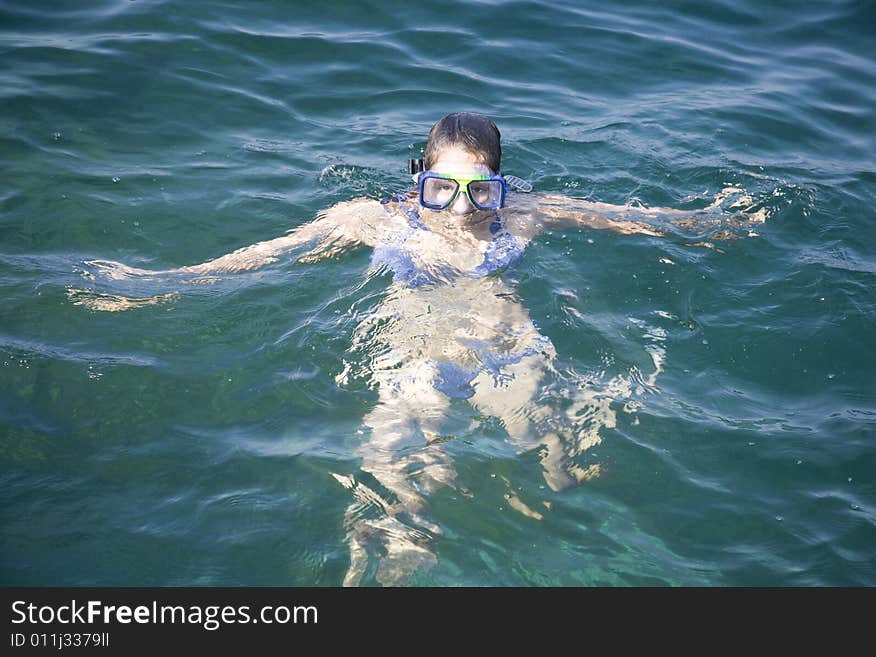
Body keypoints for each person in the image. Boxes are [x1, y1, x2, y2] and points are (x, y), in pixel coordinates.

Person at [84, 113, 754, 585]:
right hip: (418, 356)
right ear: (418, 178)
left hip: (509, 346)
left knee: (551, 462)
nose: (462, 210)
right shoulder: (375, 217)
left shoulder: (525, 211)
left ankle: (542, 523)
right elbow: (266, 256)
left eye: (479, 190)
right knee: (394, 479)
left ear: (501, 183)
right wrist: (161, 284)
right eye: (442, 189)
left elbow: (623, 217)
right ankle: (377, 559)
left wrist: (706, 225)